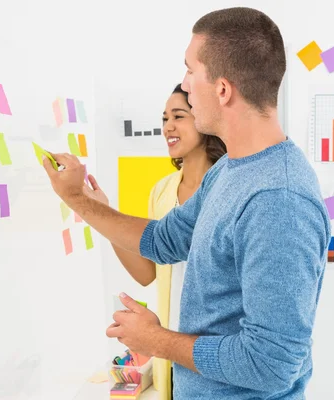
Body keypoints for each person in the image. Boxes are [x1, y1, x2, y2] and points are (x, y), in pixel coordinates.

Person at [42, 6, 331, 399]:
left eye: (190, 71)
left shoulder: (277, 200)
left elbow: (271, 364)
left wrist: (157, 340)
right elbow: (163, 240)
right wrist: (79, 200)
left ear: (222, 89)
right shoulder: (230, 168)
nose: (185, 84)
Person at [88, 83, 226, 400]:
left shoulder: (227, 184)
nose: (168, 127)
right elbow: (147, 272)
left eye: (179, 116)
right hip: (169, 340)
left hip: (214, 343)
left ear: (205, 119)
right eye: (164, 119)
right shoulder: (162, 191)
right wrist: (103, 214)